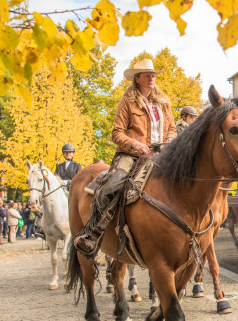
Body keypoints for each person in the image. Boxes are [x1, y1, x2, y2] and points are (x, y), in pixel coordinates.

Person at [74, 58, 177, 256]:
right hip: (132, 155)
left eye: (153, 74)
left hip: (163, 153)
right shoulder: (127, 102)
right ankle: (92, 233)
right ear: (137, 79)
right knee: (111, 185)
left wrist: (171, 140)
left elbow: (172, 128)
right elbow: (117, 133)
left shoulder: (164, 103)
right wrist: (135, 144)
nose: (152, 78)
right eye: (147, 75)